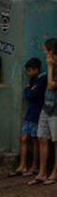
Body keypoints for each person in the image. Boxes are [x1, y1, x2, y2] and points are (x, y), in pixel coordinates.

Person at [12, 57, 45, 177]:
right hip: (30, 113)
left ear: (36, 69)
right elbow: (29, 93)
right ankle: (23, 164)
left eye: (30, 70)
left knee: (35, 140)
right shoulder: (34, 80)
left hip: (36, 113)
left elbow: (31, 95)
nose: (28, 73)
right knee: (23, 138)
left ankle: (34, 166)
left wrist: (28, 89)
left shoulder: (42, 80)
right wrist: (28, 90)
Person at [31, 38, 57, 185]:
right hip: (46, 107)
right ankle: (42, 172)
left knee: (55, 141)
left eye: (46, 50)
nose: (44, 53)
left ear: (51, 51)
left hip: (56, 108)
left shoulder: (54, 68)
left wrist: (50, 67)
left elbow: (51, 85)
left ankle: (54, 172)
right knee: (42, 138)